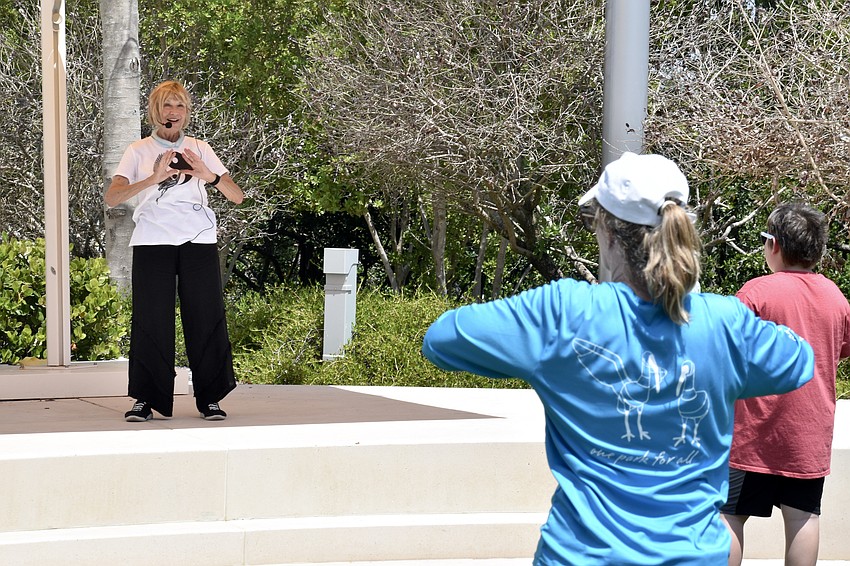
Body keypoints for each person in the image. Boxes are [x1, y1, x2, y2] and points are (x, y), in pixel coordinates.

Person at [421, 152, 815, 565]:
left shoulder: (563, 312)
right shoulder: (726, 323)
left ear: (607, 232)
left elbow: (441, 339)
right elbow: (798, 360)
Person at [104, 80, 243, 422]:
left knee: (205, 317)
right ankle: (145, 399)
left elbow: (237, 196)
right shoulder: (138, 150)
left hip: (198, 240)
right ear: (156, 111)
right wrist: (153, 178)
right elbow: (113, 197)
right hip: (153, 240)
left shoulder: (200, 147)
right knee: (151, 319)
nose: (174, 112)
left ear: (186, 112)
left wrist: (207, 175)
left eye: (180, 105)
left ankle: (210, 398)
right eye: (167, 105)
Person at [720, 203, 850, 566]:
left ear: (773, 245)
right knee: (803, 518)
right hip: (808, 437)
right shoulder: (835, 297)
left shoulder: (755, 292)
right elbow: (841, 349)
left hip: (753, 435)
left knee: (729, 516)